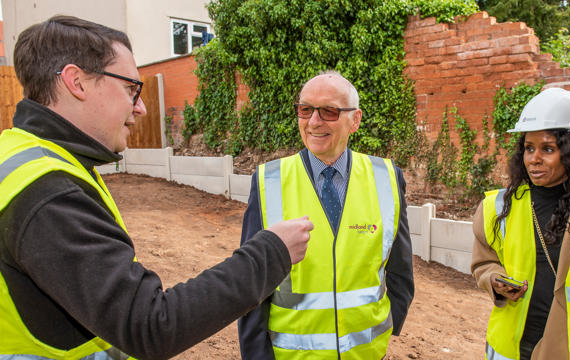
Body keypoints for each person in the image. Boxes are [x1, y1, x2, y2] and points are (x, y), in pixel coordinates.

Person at [0, 15, 314, 359]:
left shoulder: (23, 156)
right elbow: (150, 326)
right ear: (77, 81)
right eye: (131, 89)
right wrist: (271, 253)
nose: (141, 107)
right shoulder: (49, 191)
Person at [237, 70, 414, 359]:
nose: (314, 122)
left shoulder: (387, 177)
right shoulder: (269, 181)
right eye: (305, 110)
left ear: (354, 120)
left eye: (329, 111)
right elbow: (251, 282)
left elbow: (400, 269)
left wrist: (383, 329)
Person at [471, 87, 570, 360]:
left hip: (568, 351)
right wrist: (494, 280)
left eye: (548, 149)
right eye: (529, 148)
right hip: (508, 349)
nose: (534, 159)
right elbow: (483, 263)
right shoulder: (498, 208)